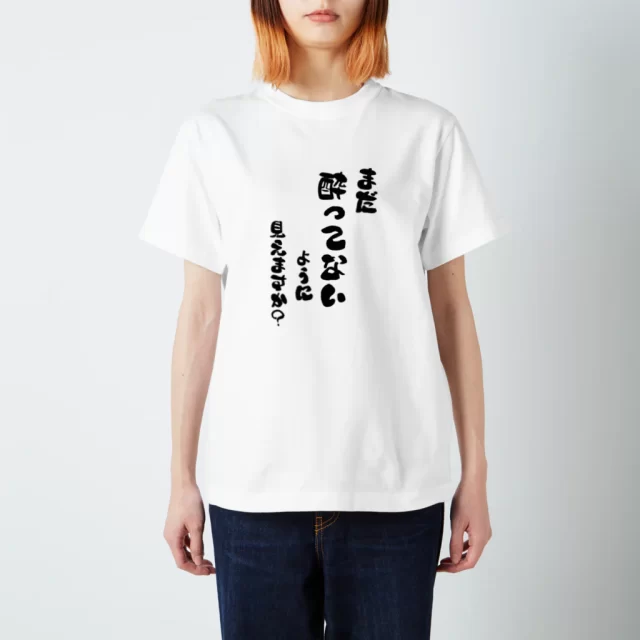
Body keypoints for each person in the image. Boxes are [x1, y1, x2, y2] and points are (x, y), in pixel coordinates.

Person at [138, 1, 508, 637]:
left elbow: (452, 311)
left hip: (394, 490)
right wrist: (181, 478)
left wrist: (475, 475)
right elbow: (199, 314)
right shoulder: (215, 134)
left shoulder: (426, 133)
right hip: (253, 491)